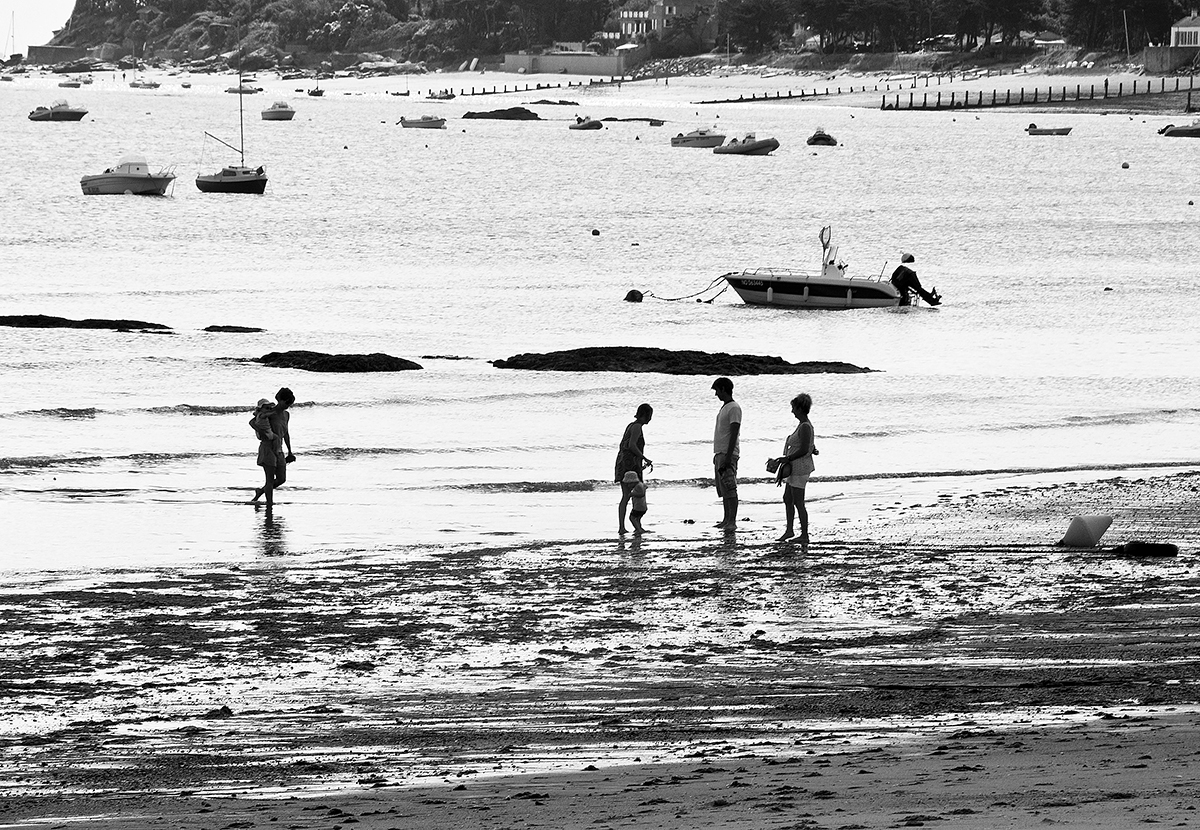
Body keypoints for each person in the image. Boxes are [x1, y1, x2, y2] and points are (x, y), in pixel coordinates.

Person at [773, 393, 817, 545]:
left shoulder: (805, 425)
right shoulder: (803, 425)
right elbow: (808, 444)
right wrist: (814, 449)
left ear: (799, 408)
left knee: (798, 502)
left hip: (800, 468)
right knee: (788, 498)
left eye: (793, 408)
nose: (792, 411)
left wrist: (788, 458)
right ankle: (790, 530)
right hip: (794, 468)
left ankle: (804, 534)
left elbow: (804, 449)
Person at [252, 387, 296, 506]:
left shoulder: (286, 415)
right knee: (270, 480)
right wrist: (263, 432)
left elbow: (286, 433)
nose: (287, 405)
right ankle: (269, 505)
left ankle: (261, 491)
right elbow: (253, 422)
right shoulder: (270, 413)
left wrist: (290, 451)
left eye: (290, 403)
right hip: (267, 448)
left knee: (281, 479)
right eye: (286, 402)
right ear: (279, 400)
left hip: (279, 449)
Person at [616, 403, 653, 534]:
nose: (650, 418)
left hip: (626, 462)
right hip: (629, 464)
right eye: (650, 415)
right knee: (628, 496)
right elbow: (631, 445)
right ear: (645, 415)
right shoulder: (637, 427)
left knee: (628, 496)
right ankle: (625, 527)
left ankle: (630, 526)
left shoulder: (631, 425)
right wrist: (645, 458)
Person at [711, 377, 742, 529]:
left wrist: (728, 456)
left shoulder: (734, 408)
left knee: (730, 487)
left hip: (728, 453)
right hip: (720, 452)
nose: (716, 394)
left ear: (723, 389)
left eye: (717, 390)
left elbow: (734, 432)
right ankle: (726, 519)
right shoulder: (724, 408)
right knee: (723, 488)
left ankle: (732, 521)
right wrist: (717, 455)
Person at [623, 470, 648, 535]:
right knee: (637, 519)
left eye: (629, 483)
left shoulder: (638, 486)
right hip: (643, 507)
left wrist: (632, 494)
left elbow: (641, 494)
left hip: (638, 507)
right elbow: (645, 487)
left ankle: (638, 529)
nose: (628, 485)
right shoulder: (641, 484)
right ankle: (639, 528)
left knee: (632, 518)